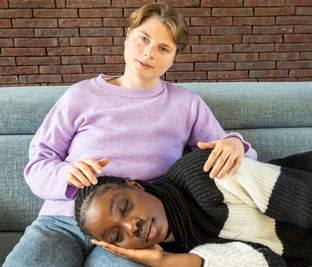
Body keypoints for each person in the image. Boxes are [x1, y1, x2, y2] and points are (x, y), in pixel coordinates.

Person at [4, 3, 256, 267]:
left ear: (173, 58)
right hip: (61, 222)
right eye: (143, 38)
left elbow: (237, 158)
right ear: (127, 36)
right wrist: (65, 174)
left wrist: (234, 144)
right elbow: (38, 164)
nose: (149, 53)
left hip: (132, 234)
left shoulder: (187, 104)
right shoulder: (81, 95)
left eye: (163, 48)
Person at [75, 149, 312, 267]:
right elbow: (265, 262)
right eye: (116, 235)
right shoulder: (183, 246)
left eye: (124, 208)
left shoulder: (201, 173)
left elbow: (308, 199)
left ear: (135, 185)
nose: (130, 226)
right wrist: (164, 260)